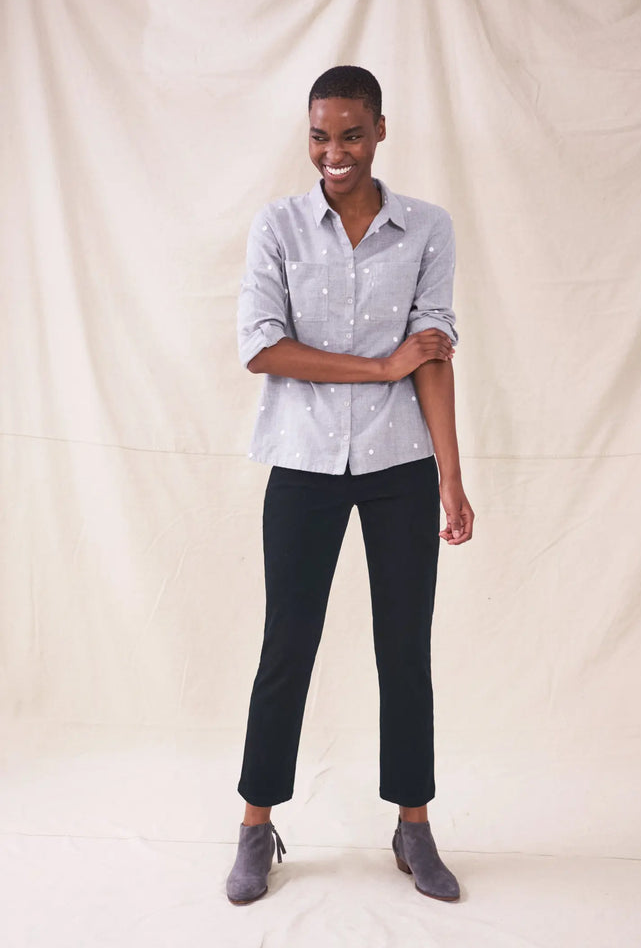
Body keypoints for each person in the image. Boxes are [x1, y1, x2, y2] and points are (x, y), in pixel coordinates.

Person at [226, 65, 474, 905]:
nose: (334, 152)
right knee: (286, 645)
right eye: (320, 136)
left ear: (379, 132)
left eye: (351, 134)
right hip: (302, 462)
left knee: (405, 649)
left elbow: (432, 356)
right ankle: (256, 827)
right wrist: (378, 367)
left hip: (401, 466)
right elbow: (261, 347)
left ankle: (414, 827)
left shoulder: (427, 228)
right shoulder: (279, 227)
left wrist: (451, 478)